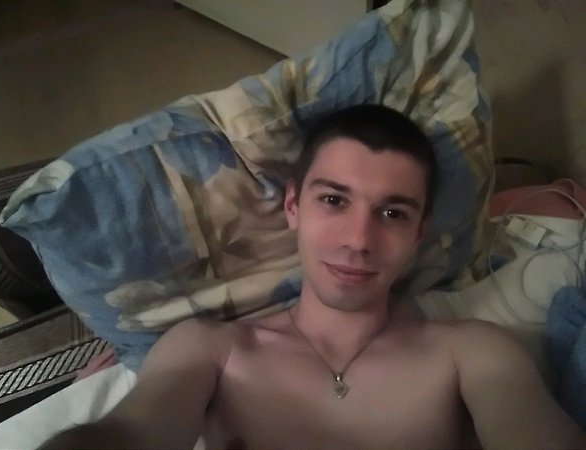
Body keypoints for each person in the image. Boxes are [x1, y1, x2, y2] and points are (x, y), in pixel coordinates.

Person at [42, 105, 585, 449]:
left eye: (392, 212)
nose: (359, 239)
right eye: (334, 200)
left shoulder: (472, 353)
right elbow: (135, 432)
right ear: (293, 207)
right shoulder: (211, 349)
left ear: (419, 233)